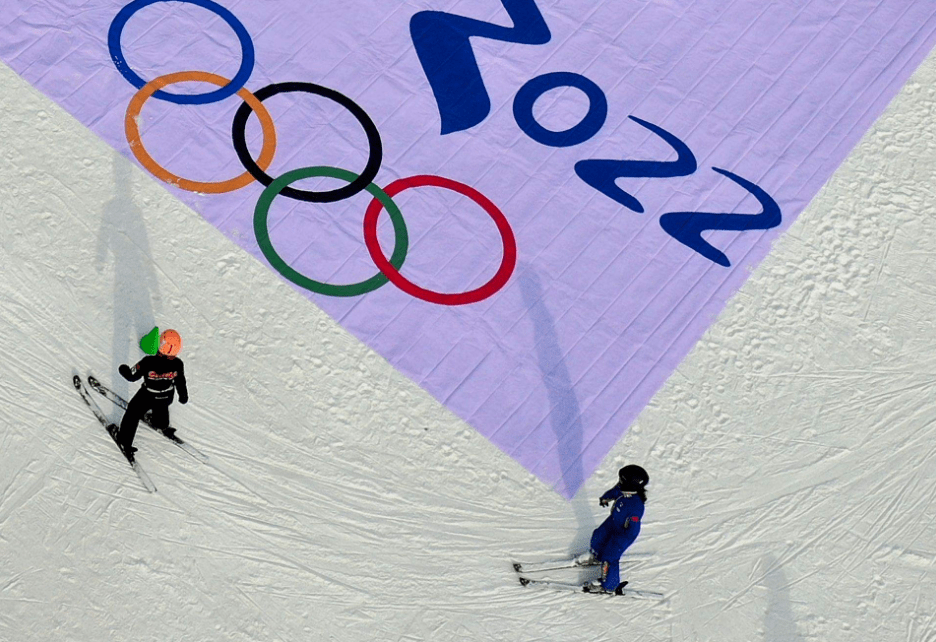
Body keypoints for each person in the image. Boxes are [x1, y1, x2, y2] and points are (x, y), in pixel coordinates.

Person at [115, 329, 188, 458]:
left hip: (148, 395)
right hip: (166, 396)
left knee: (133, 412)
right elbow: (180, 381)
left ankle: (124, 441)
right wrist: (183, 395)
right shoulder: (178, 364)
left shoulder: (148, 362)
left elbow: (132, 376)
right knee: (162, 407)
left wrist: (123, 369)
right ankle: (161, 424)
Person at [584, 465, 648, 594]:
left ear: (630, 485)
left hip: (624, 534)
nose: (619, 482)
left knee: (610, 556)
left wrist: (620, 541)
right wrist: (605, 498)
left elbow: (633, 529)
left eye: (622, 480)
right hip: (614, 521)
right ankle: (596, 555)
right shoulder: (625, 489)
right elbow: (616, 491)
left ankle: (609, 586)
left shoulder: (636, 506)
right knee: (598, 536)